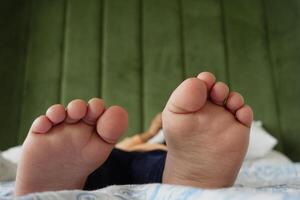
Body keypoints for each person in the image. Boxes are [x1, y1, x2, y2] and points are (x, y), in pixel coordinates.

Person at [15, 72, 253, 196]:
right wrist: (151, 132)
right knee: (97, 162)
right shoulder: (150, 138)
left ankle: (189, 176)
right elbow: (135, 141)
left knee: (106, 166)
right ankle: (60, 180)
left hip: (166, 160)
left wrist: (164, 137)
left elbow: (155, 144)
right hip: (132, 158)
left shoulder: (173, 142)